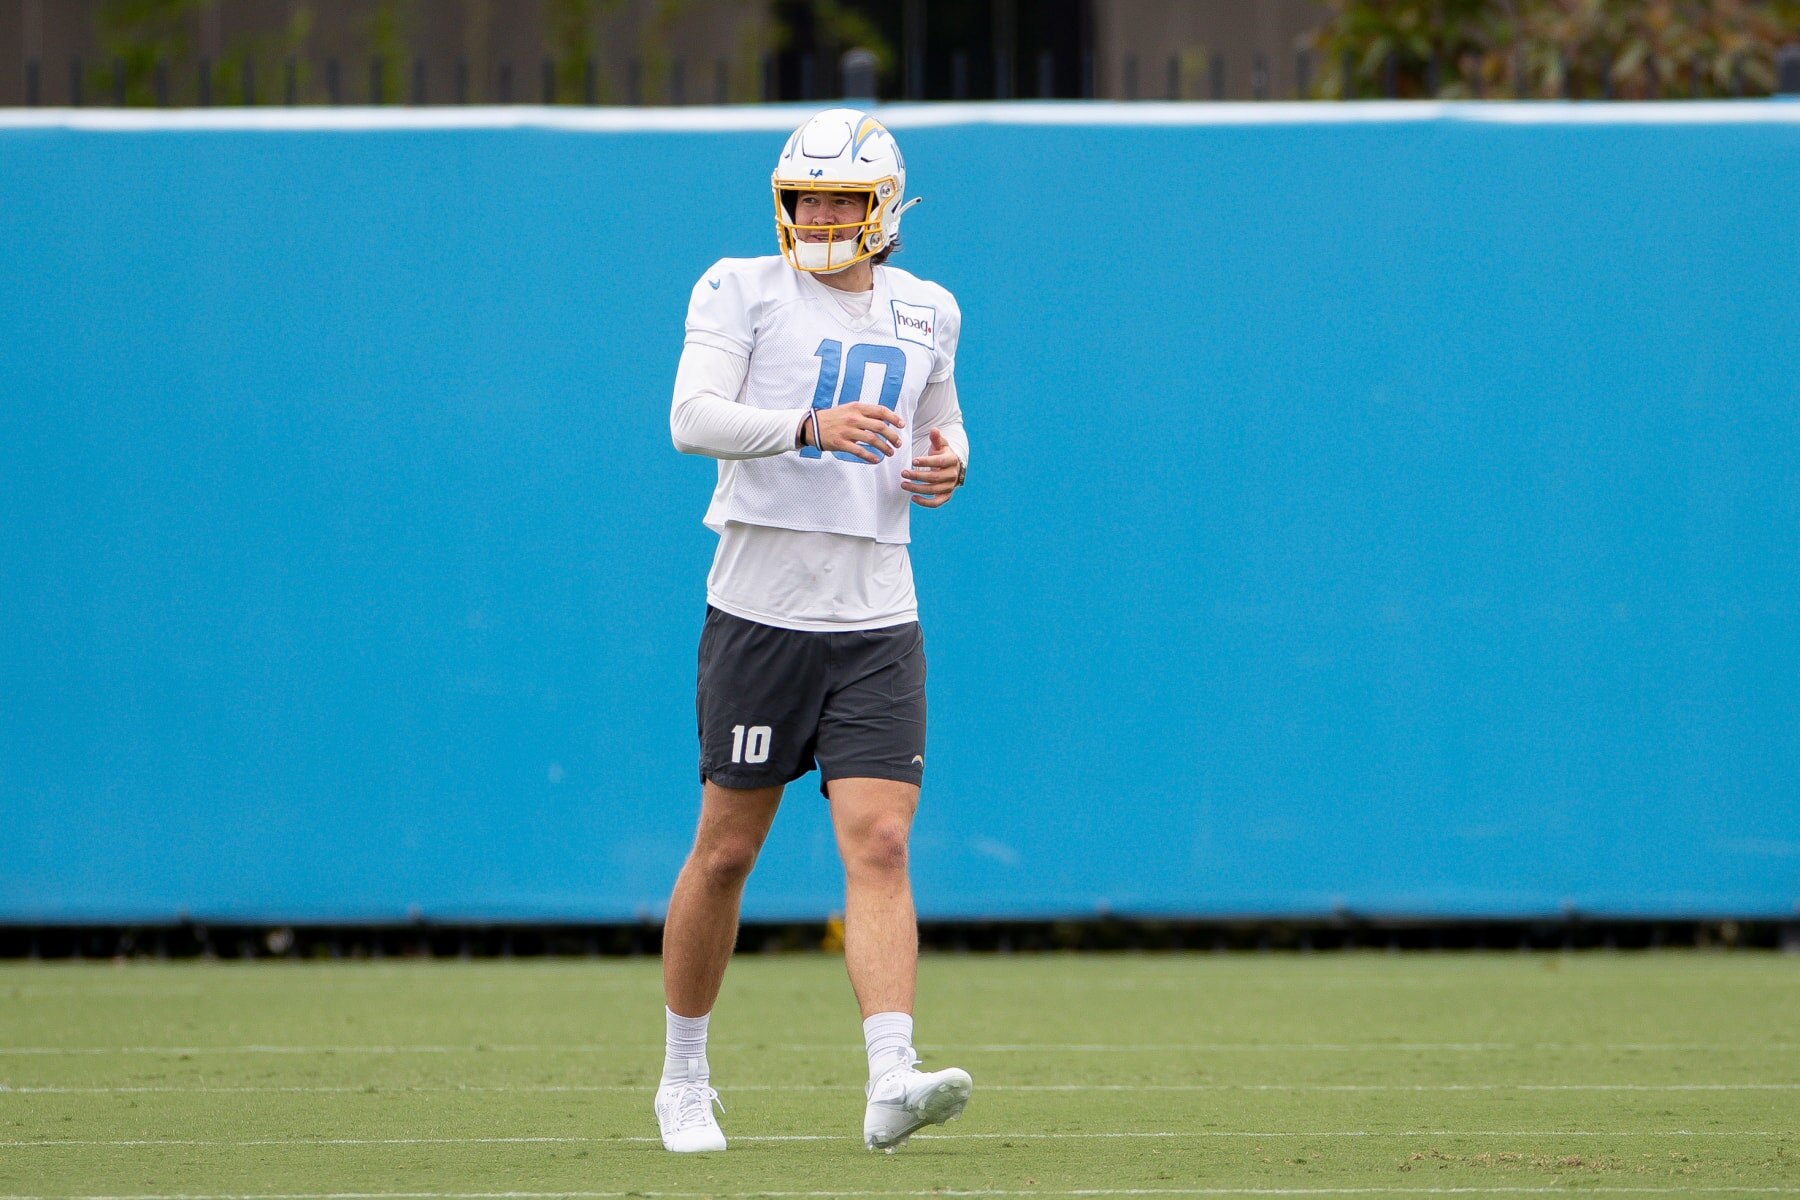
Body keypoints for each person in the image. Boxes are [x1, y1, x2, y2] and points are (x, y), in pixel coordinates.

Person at [654, 108, 972, 1154]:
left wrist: (947, 464)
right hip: (761, 611)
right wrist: (806, 426)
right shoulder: (739, 286)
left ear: (885, 209)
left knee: (881, 841)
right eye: (806, 199)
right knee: (725, 854)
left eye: (841, 199)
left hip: (880, 611)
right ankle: (685, 1075)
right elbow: (691, 418)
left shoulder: (929, 309)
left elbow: (945, 424)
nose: (822, 216)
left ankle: (891, 1075)